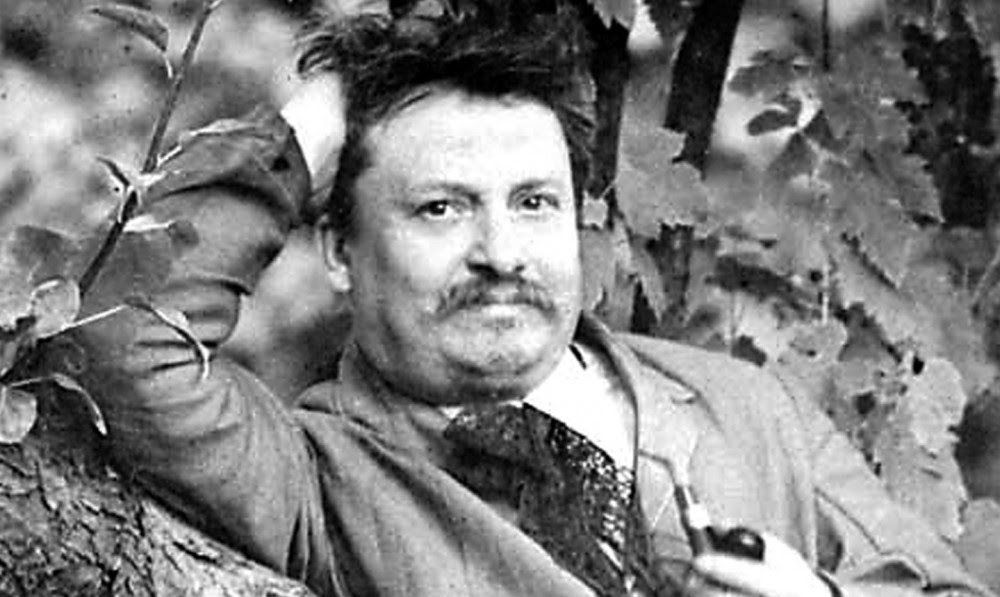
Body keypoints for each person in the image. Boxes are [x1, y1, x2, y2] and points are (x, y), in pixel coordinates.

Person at [74, 8, 994, 597]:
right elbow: (116, 339)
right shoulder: (312, 476)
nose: (501, 253)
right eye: (441, 208)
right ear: (341, 251)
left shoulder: (754, 408)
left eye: (534, 202)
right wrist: (312, 125)